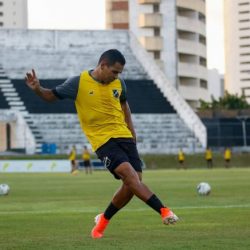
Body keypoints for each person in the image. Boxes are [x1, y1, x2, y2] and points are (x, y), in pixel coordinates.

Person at [25, 49, 178, 239]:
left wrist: (133, 136)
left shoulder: (119, 83)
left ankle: (102, 221)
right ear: (103, 65)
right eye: (114, 71)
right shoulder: (78, 82)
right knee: (130, 177)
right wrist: (38, 88)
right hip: (103, 141)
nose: (117, 76)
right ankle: (164, 211)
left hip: (125, 137)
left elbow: (125, 109)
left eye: (119, 72)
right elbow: (50, 96)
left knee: (133, 183)